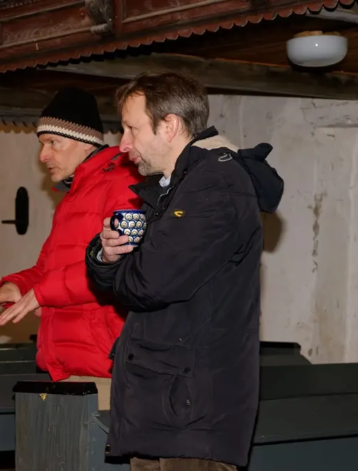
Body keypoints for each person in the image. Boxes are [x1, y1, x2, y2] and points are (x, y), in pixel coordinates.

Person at [85, 72, 284, 470]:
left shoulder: (215, 186)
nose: (122, 145)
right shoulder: (171, 187)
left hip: (192, 413)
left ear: (170, 125)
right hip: (164, 405)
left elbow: (149, 283)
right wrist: (106, 256)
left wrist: (122, 266)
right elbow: (116, 279)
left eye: (131, 129)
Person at [0, 88, 143, 409]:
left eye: (54, 143)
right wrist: (20, 285)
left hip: (104, 365)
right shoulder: (73, 197)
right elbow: (47, 269)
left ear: (85, 142)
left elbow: (117, 268)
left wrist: (41, 293)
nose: (43, 156)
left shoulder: (121, 184)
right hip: (68, 364)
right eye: (42, 144)